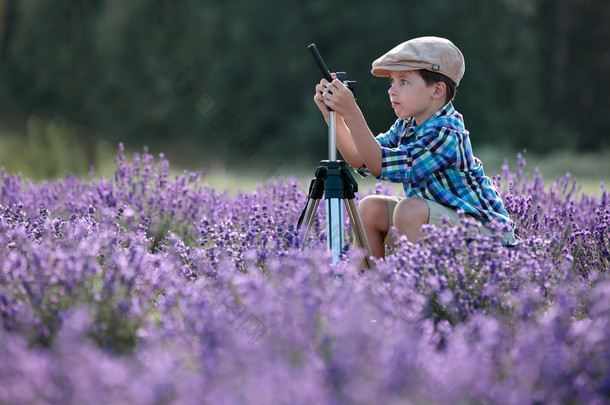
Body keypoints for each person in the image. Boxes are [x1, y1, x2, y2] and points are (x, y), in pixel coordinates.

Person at [313, 36, 515, 259]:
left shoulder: (447, 132)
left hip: (489, 239)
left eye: (403, 82)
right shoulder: (406, 126)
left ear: (437, 90)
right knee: (370, 208)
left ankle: (411, 289)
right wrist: (335, 117)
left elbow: (379, 164)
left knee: (409, 210)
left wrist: (352, 112)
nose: (392, 90)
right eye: (392, 82)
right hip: (448, 226)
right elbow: (361, 158)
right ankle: (368, 288)